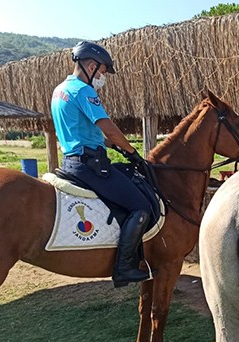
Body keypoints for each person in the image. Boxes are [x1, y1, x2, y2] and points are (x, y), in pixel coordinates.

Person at [51, 41, 154, 288]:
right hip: (90, 166)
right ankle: (125, 267)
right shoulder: (84, 91)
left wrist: (112, 145)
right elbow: (107, 126)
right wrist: (132, 153)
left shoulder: (60, 90)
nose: (102, 77)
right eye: (102, 71)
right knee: (141, 206)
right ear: (90, 65)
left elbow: (86, 132)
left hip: (72, 160)